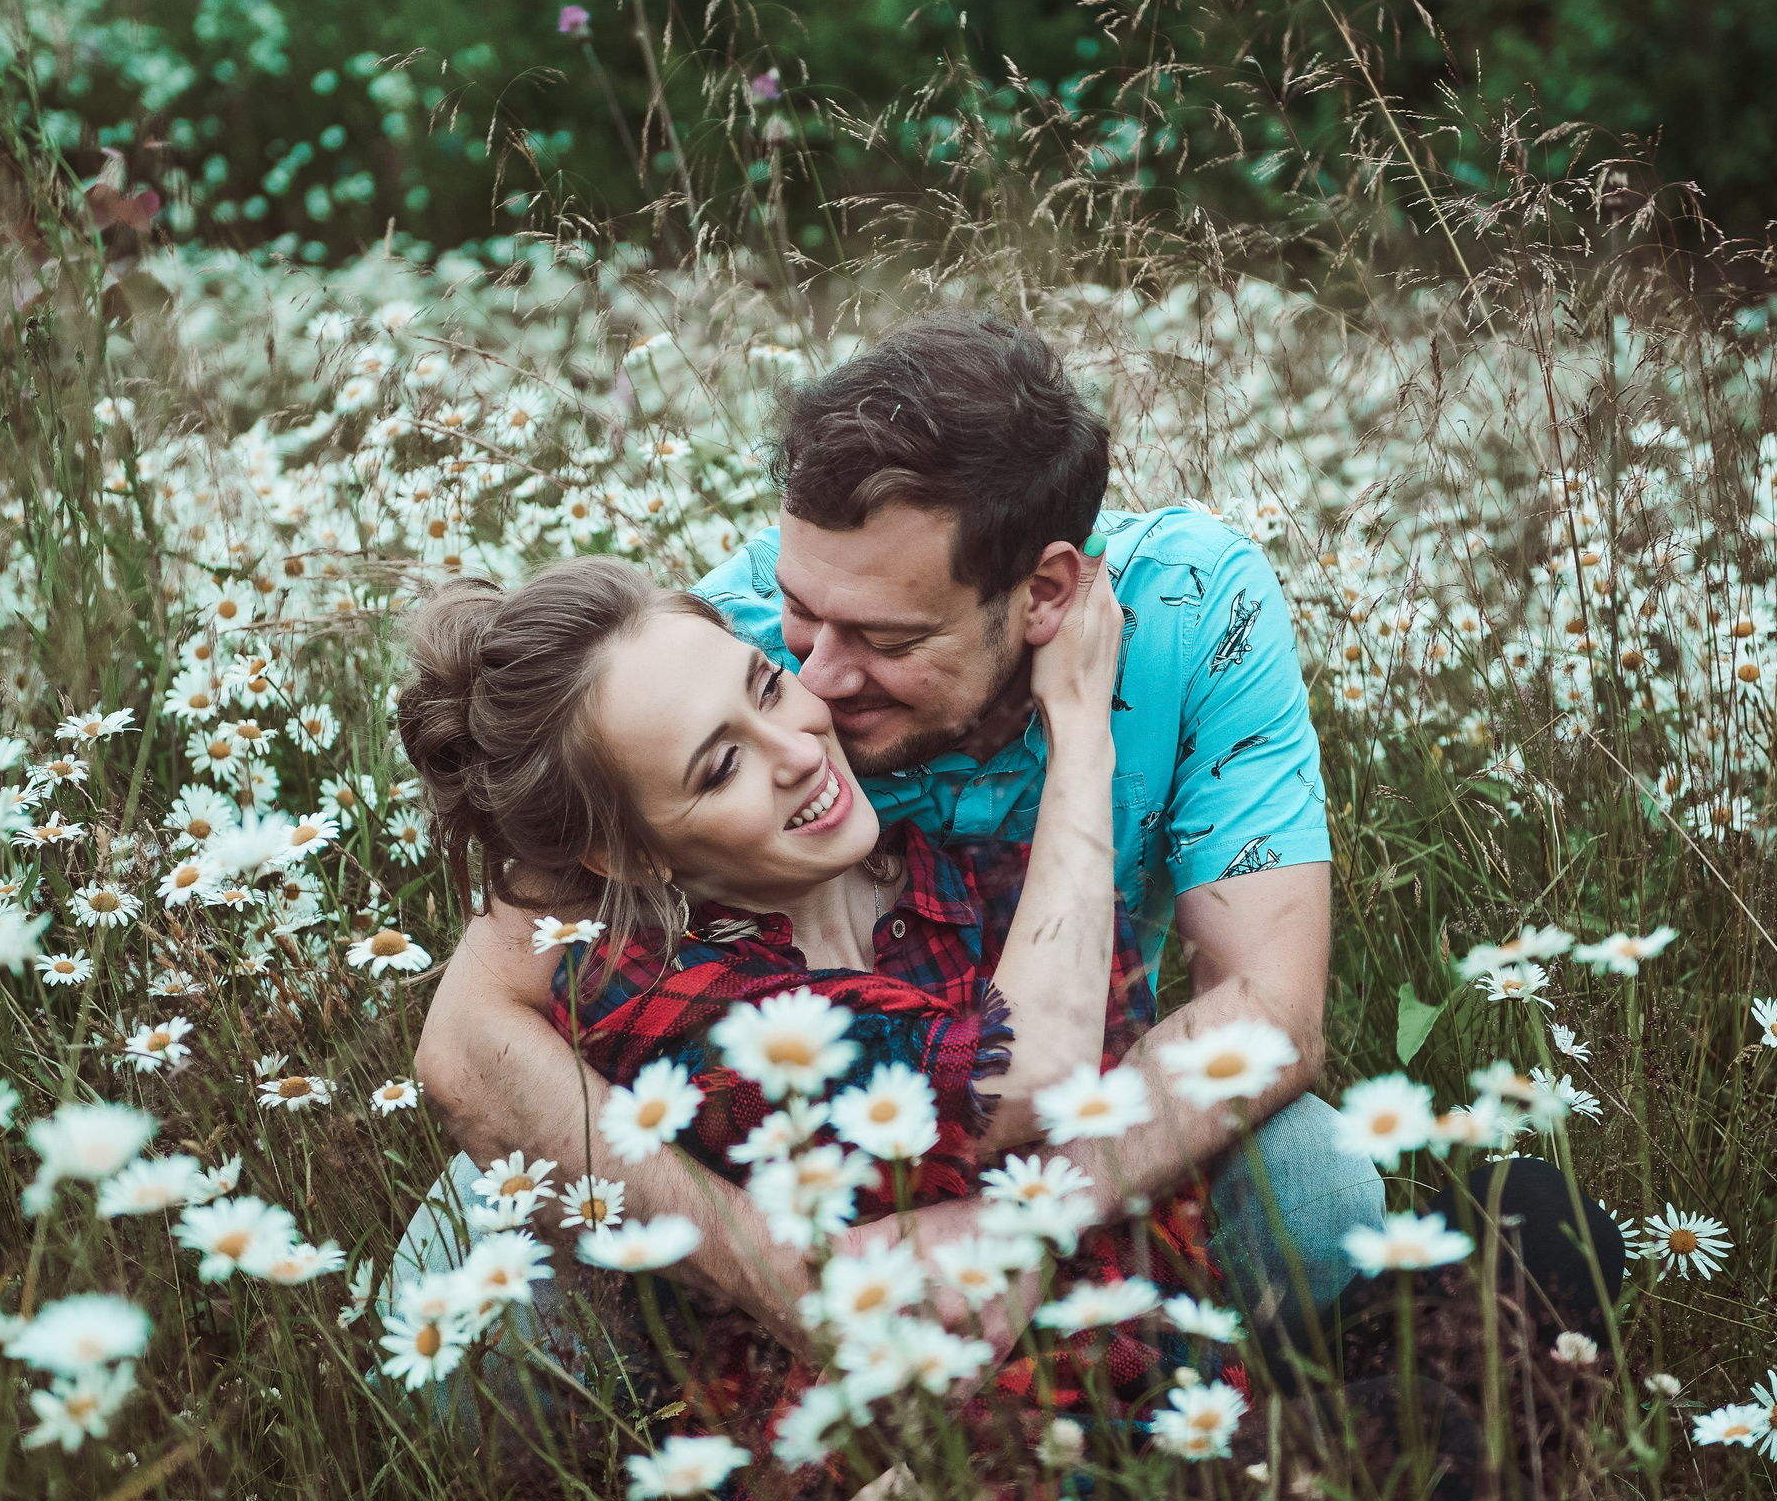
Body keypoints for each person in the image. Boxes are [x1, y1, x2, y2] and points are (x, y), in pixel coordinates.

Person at [390, 555, 1629, 1501]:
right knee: (1425, 1451)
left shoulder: (930, 873)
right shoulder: (682, 1003)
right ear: (625, 851)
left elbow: (1118, 1107)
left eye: (766, 687)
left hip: (1124, 1379)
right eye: (720, 766)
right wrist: (1078, 718)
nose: (797, 746)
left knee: (1544, 1227)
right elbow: (1026, 1077)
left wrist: (1052, 1228)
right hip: (928, 1492)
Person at [411, 313, 1380, 1363]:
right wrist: (790, 1278)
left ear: (1044, 594)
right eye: (797, 614)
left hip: (1058, 1112)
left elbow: (1270, 1009)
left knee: (1320, 1188)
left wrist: (1014, 1220)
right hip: (753, 1151)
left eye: (885, 639)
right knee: (471, 1341)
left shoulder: (1194, 613)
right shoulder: (724, 654)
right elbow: (469, 1037)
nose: (815, 682)